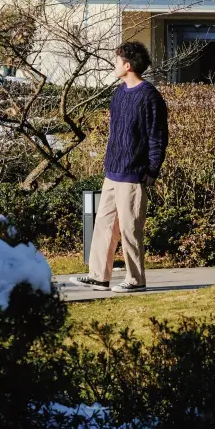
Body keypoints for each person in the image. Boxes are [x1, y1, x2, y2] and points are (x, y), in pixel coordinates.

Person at [70, 41, 168, 293]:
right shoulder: (119, 93)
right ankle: (98, 276)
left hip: (134, 173)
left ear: (128, 65)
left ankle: (136, 280)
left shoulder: (149, 96)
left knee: (129, 229)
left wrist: (152, 169)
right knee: (104, 225)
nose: (114, 65)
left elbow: (157, 136)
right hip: (113, 171)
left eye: (117, 61)